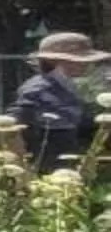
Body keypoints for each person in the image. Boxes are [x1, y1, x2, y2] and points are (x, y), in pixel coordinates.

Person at [12, 31, 103, 171]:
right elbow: (17, 124)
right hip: (46, 162)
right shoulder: (37, 89)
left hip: (68, 159)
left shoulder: (69, 85)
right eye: (79, 61)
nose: (85, 65)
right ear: (56, 61)